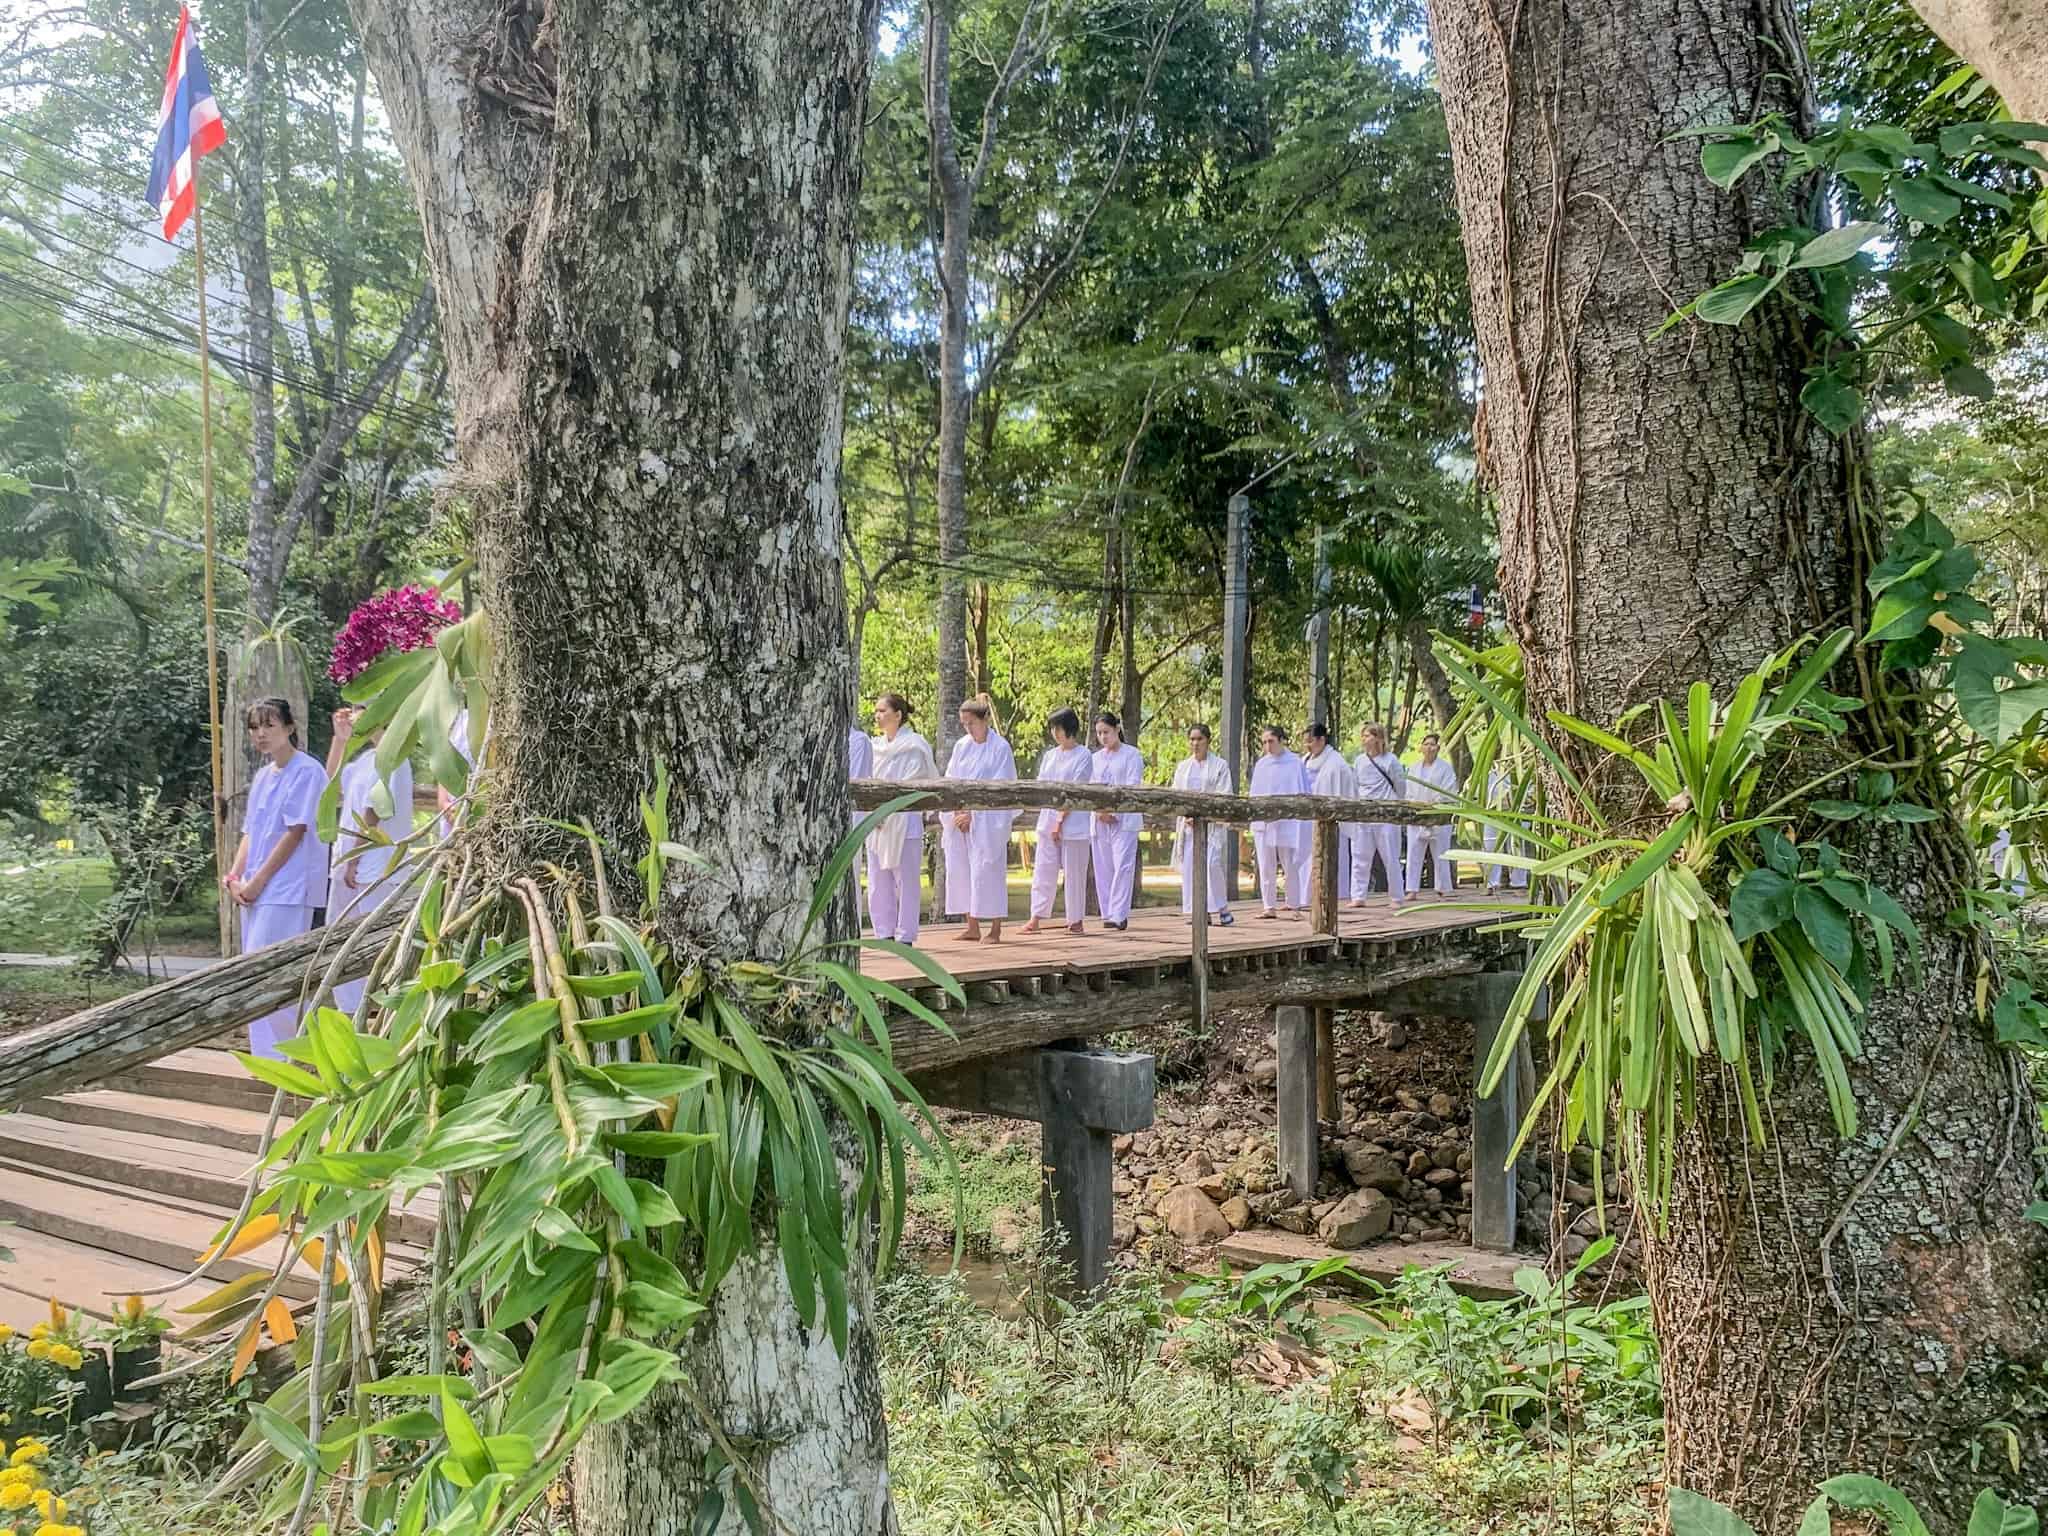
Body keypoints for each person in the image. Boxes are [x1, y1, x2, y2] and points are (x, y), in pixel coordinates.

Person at [223, 697, 329, 1058]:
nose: (261, 734)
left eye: (269, 725)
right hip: (255, 887)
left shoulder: (308, 771)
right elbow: (251, 831)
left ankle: (300, 1053)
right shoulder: (263, 776)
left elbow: (295, 832)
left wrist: (258, 882)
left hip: (288, 888)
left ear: (289, 727)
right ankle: (267, 1060)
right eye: (255, 727)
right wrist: (236, 875)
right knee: (252, 974)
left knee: (276, 975)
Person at [325, 707, 415, 1015]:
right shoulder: (364, 760)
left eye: (361, 709)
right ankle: (351, 1013)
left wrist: (354, 858)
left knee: (372, 944)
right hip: (352, 867)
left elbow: (373, 811)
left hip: (376, 869)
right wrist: (340, 740)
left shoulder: (394, 758)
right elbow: (332, 785)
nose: (353, 715)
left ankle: (375, 1012)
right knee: (343, 942)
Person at [941, 695, 1017, 943]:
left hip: (986, 822)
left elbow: (1001, 787)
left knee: (989, 869)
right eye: (964, 724)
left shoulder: (1000, 748)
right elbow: (952, 778)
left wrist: (974, 814)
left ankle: (995, 928)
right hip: (960, 818)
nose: (968, 728)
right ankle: (971, 924)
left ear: (984, 720)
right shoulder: (962, 746)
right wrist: (957, 810)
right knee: (961, 869)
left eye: (971, 723)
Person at [866, 693, 937, 944]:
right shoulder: (874, 747)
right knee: (877, 878)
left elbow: (913, 781)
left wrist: (889, 808)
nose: (878, 715)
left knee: (906, 880)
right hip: (877, 821)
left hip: (904, 821)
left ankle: (905, 934)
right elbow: (869, 780)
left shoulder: (915, 746)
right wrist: (875, 811)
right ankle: (883, 932)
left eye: (883, 710)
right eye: (876, 710)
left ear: (898, 715)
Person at [1022, 708, 1094, 935]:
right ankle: (1036, 917)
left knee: (1074, 873)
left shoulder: (1084, 756)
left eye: (1058, 728)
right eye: (1052, 728)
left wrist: (1060, 821)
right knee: (1043, 870)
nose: (1054, 732)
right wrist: (1051, 821)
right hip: (1047, 818)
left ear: (1069, 728)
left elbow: (1075, 790)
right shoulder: (1051, 755)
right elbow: (1043, 785)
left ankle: (1075, 920)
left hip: (1074, 824)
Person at [1172, 723, 1233, 926]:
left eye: (1199, 739)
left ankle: (1221, 907)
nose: (1195, 743)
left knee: (1212, 864)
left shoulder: (1220, 766)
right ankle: (1198, 911)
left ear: (1208, 741)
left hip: (1211, 826)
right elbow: (1176, 795)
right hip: (1188, 826)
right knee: (1190, 867)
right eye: (1192, 739)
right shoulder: (1183, 767)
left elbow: (1225, 795)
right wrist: (1186, 815)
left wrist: (1204, 815)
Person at [1089, 711, 1144, 931]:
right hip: (1100, 818)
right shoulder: (1094, 758)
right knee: (1103, 867)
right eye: (1099, 733)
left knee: (1123, 865)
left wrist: (1116, 811)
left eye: (1106, 732)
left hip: (1125, 819)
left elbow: (1132, 784)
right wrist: (1100, 811)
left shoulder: (1132, 755)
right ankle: (1107, 912)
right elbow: (1091, 786)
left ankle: (1119, 914)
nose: (1103, 737)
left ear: (1117, 729)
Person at [1249, 724, 1311, 917]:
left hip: (1287, 821)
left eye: (1271, 741)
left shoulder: (1295, 762)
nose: (1268, 746)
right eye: (1265, 742)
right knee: (1266, 864)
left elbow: (1303, 790)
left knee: (1289, 864)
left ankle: (1294, 905)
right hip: (1265, 821)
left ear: (1281, 740)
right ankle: (1269, 906)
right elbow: (1255, 793)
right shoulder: (1262, 764)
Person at [1302, 721, 1356, 911]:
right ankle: (1305, 898)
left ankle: (1335, 898)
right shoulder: (1304, 760)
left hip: (1332, 822)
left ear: (1321, 740)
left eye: (1311, 741)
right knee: (1306, 858)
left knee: (1331, 859)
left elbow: (1346, 791)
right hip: (1307, 819)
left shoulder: (1336, 764)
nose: (1308, 746)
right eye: (1306, 742)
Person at [1352, 722, 1406, 911]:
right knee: (1360, 855)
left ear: (1378, 738)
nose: (1364, 739)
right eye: (1363, 736)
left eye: (1368, 735)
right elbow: (1356, 784)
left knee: (1391, 857)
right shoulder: (1359, 761)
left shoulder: (1391, 761)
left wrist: (1394, 806)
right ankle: (1358, 895)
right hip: (1365, 814)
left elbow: (1400, 786)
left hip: (1386, 815)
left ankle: (1397, 896)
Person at [1404, 732, 1461, 900]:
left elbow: (1449, 791)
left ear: (1438, 748)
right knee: (1413, 853)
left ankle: (1443, 887)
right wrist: (1416, 806)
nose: (1429, 747)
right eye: (1426, 744)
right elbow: (1409, 791)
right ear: (1421, 748)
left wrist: (1434, 805)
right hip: (1418, 814)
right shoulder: (1414, 768)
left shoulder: (1445, 768)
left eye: (1432, 744)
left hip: (1438, 815)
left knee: (1441, 853)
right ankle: (1412, 889)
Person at [1481, 763, 1531, 895]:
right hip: (1492, 815)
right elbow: (1481, 795)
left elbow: (1529, 793)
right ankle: (1491, 883)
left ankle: (1519, 884)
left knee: (1516, 847)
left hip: (1515, 814)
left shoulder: (1519, 773)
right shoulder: (1488, 774)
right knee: (1490, 847)